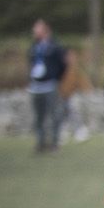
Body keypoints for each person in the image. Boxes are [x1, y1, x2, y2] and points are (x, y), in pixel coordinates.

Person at [27, 19, 66, 153]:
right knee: (39, 117)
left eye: (37, 30)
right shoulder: (33, 47)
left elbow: (63, 65)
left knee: (54, 115)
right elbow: (31, 63)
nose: (34, 33)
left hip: (50, 85)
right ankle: (41, 143)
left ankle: (55, 143)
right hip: (36, 86)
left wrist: (56, 77)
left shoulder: (55, 47)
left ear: (45, 31)